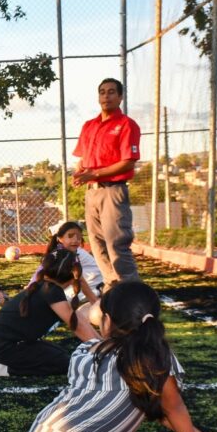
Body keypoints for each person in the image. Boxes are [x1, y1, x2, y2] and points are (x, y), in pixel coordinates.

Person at [17, 280, 217, 432]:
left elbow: (156, 408)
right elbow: (173, 408)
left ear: (107, 321)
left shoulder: (87, 350)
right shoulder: (154, 360)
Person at [0, 248, 99, 378]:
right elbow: (77, 326)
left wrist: (102, 342)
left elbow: (80, 321)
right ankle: (8, 369)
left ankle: (7, 363)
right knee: (65, 364)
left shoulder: (46, 287)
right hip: (7, 348)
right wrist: (103, 351)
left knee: (60, 354)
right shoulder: (52, 291)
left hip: (5, 344)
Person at [71, 78, 141, 285]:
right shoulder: (89, 126)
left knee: (117, 244)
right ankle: (112, 287)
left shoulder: (127, 125)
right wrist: (80, 171)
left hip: (113, 191)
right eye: (102, 92)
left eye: (111, 92)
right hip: (92, 192)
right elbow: (82, 158)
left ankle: (131, 291)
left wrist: (95, 174)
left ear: (120, 97)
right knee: (97, 244)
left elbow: (128, 162)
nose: (106, 96)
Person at [27, 221, 102, 304]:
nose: (75, 240)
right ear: (59, 238)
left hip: (94, 281)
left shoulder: (74, 253)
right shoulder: (59, 254)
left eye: (78, 237)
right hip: (88, 281)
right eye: (70, 236)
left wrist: (94, 300)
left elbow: (80, 279)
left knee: (59, 298)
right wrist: (30, 287)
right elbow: (42, 271)